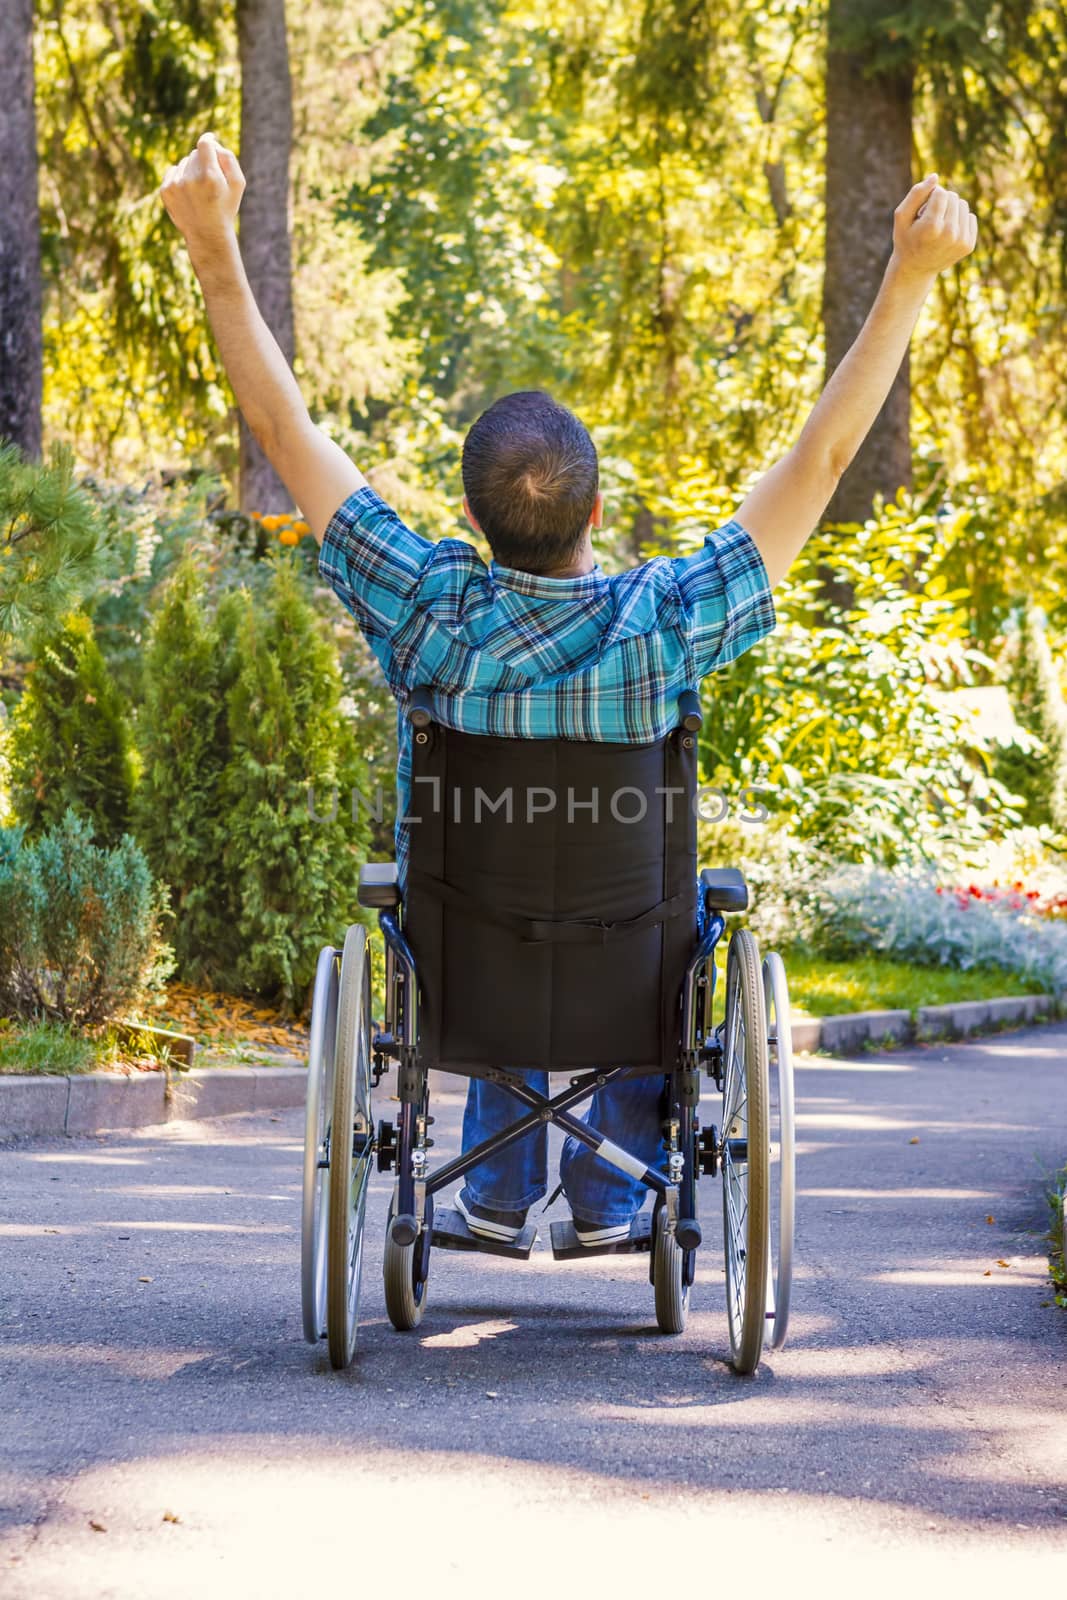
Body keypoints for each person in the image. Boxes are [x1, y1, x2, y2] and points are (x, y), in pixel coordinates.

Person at [161, 133, 977, 1245]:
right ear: (594, 514)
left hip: (467, 953)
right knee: (669, 920)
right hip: (624, 959)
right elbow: (821, 463)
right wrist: (909, 274)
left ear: (473, 519)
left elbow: (284, 429)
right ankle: (609, 1194)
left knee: (482, 888)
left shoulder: (427, 606)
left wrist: (212, 242)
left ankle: (495, 1192)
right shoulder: (664, 621)